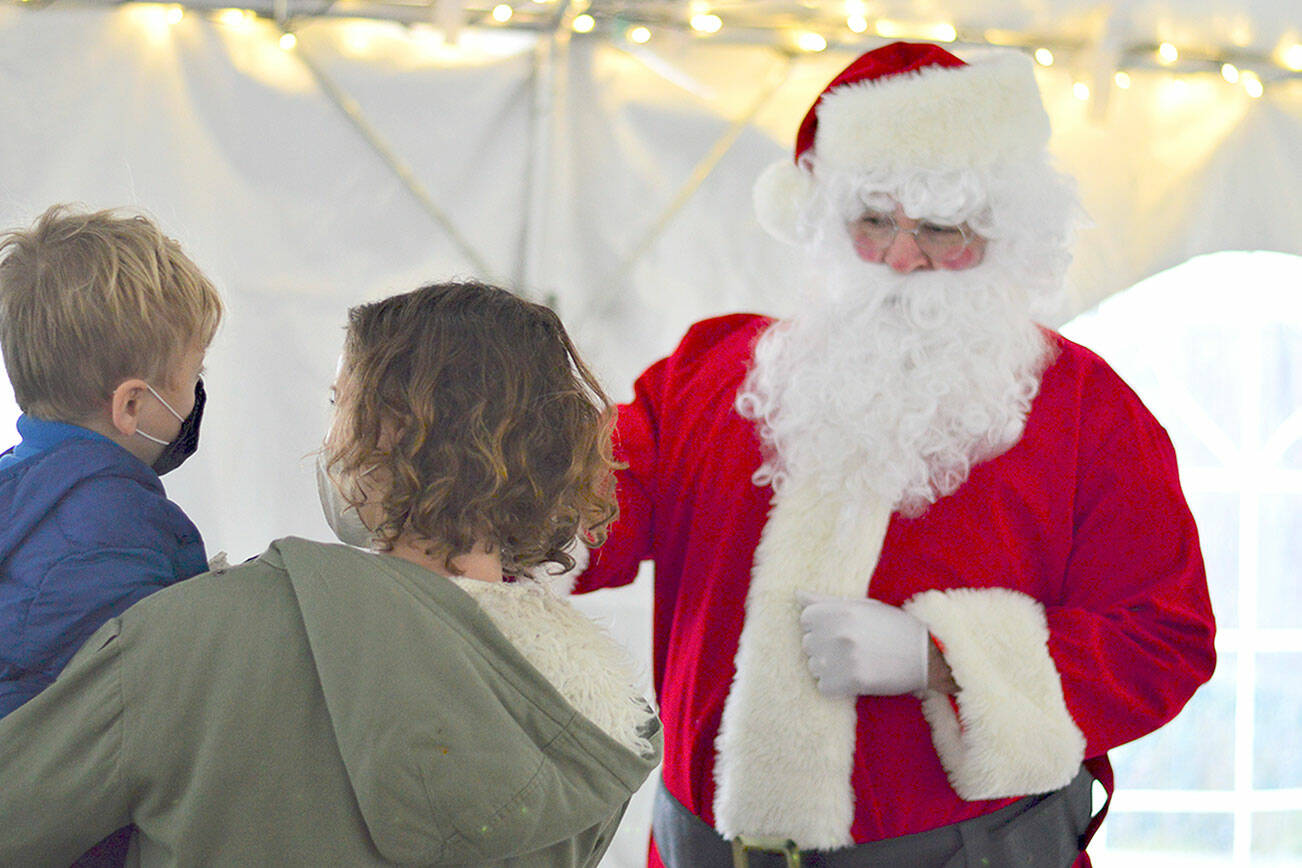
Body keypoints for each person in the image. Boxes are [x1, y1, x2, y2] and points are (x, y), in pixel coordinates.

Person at [573, 41, 1216, 867]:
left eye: (942, 229)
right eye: (873, 221)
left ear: (1005, 234)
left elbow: (1161, 640)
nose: (903, 258)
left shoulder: (1089, 413)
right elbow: (575, 519)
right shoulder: (710, 375)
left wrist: (942, 659)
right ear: (823, 222)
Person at [0, 280, 662, 866]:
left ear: (392, 428)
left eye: (339, 401)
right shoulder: (590, 728)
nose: (328, 435)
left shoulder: (191, 636)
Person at [0, 205, 222, 865]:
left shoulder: (20, 487)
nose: (196, 396)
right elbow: (148, 711)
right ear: (131, 406)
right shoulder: (120, 526)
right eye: (191, 375)